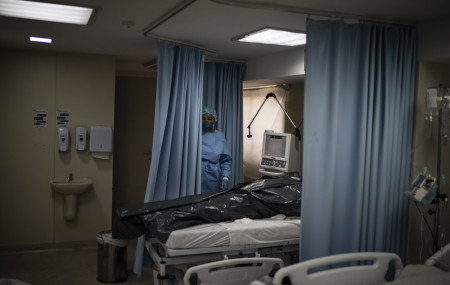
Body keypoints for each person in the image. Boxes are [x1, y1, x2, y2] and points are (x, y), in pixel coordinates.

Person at [201, 106, 232, 194]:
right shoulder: (194, 133)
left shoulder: (219, 136)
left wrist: (225, 178)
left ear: (214, 120)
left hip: (211, 176)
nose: (206, 121)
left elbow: (226, 160)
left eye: (209, 118)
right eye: (203, 118)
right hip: (194, 174)